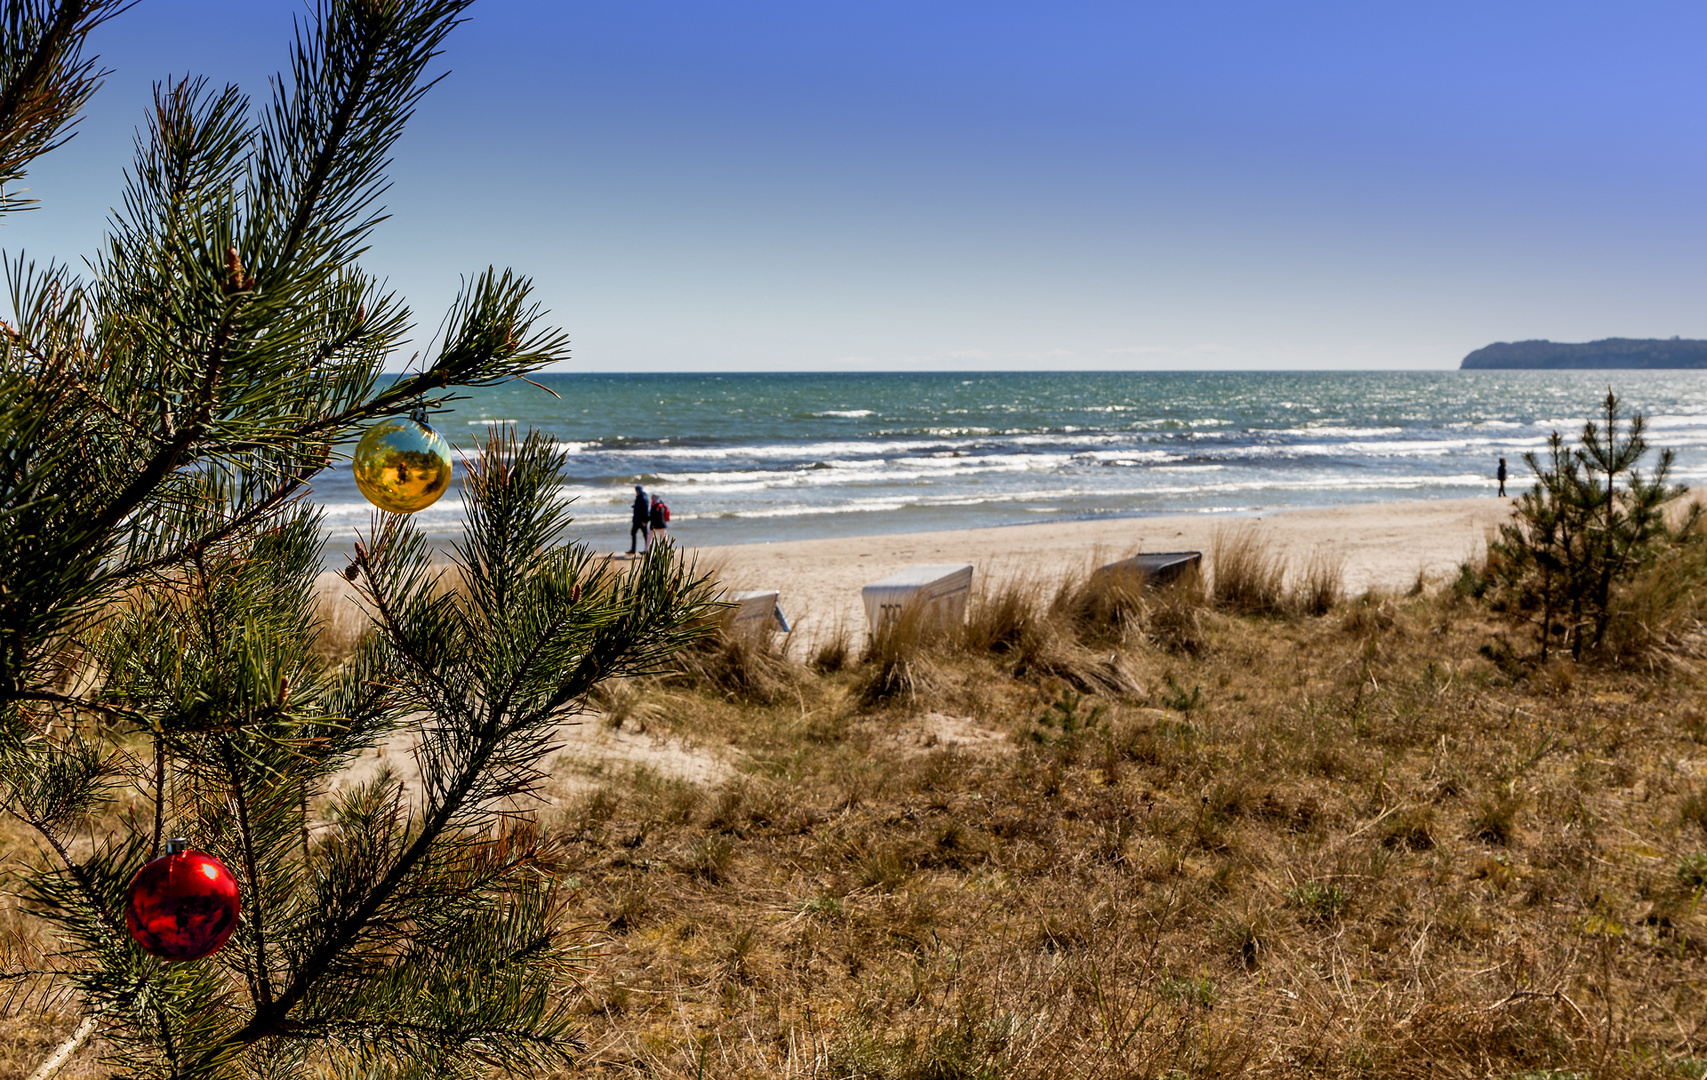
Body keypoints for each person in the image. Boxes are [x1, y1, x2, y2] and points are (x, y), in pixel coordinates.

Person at [628, 484, 650, 554]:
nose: (636, 491)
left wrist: (644, 521)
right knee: (633, 533)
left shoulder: (643, 498)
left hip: (641, 521)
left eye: (636, 490)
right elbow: (639, 507)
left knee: (645, 535)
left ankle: (647, 550)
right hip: (637, 520)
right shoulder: (639, 497)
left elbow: (645, 510)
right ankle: (633, 550)